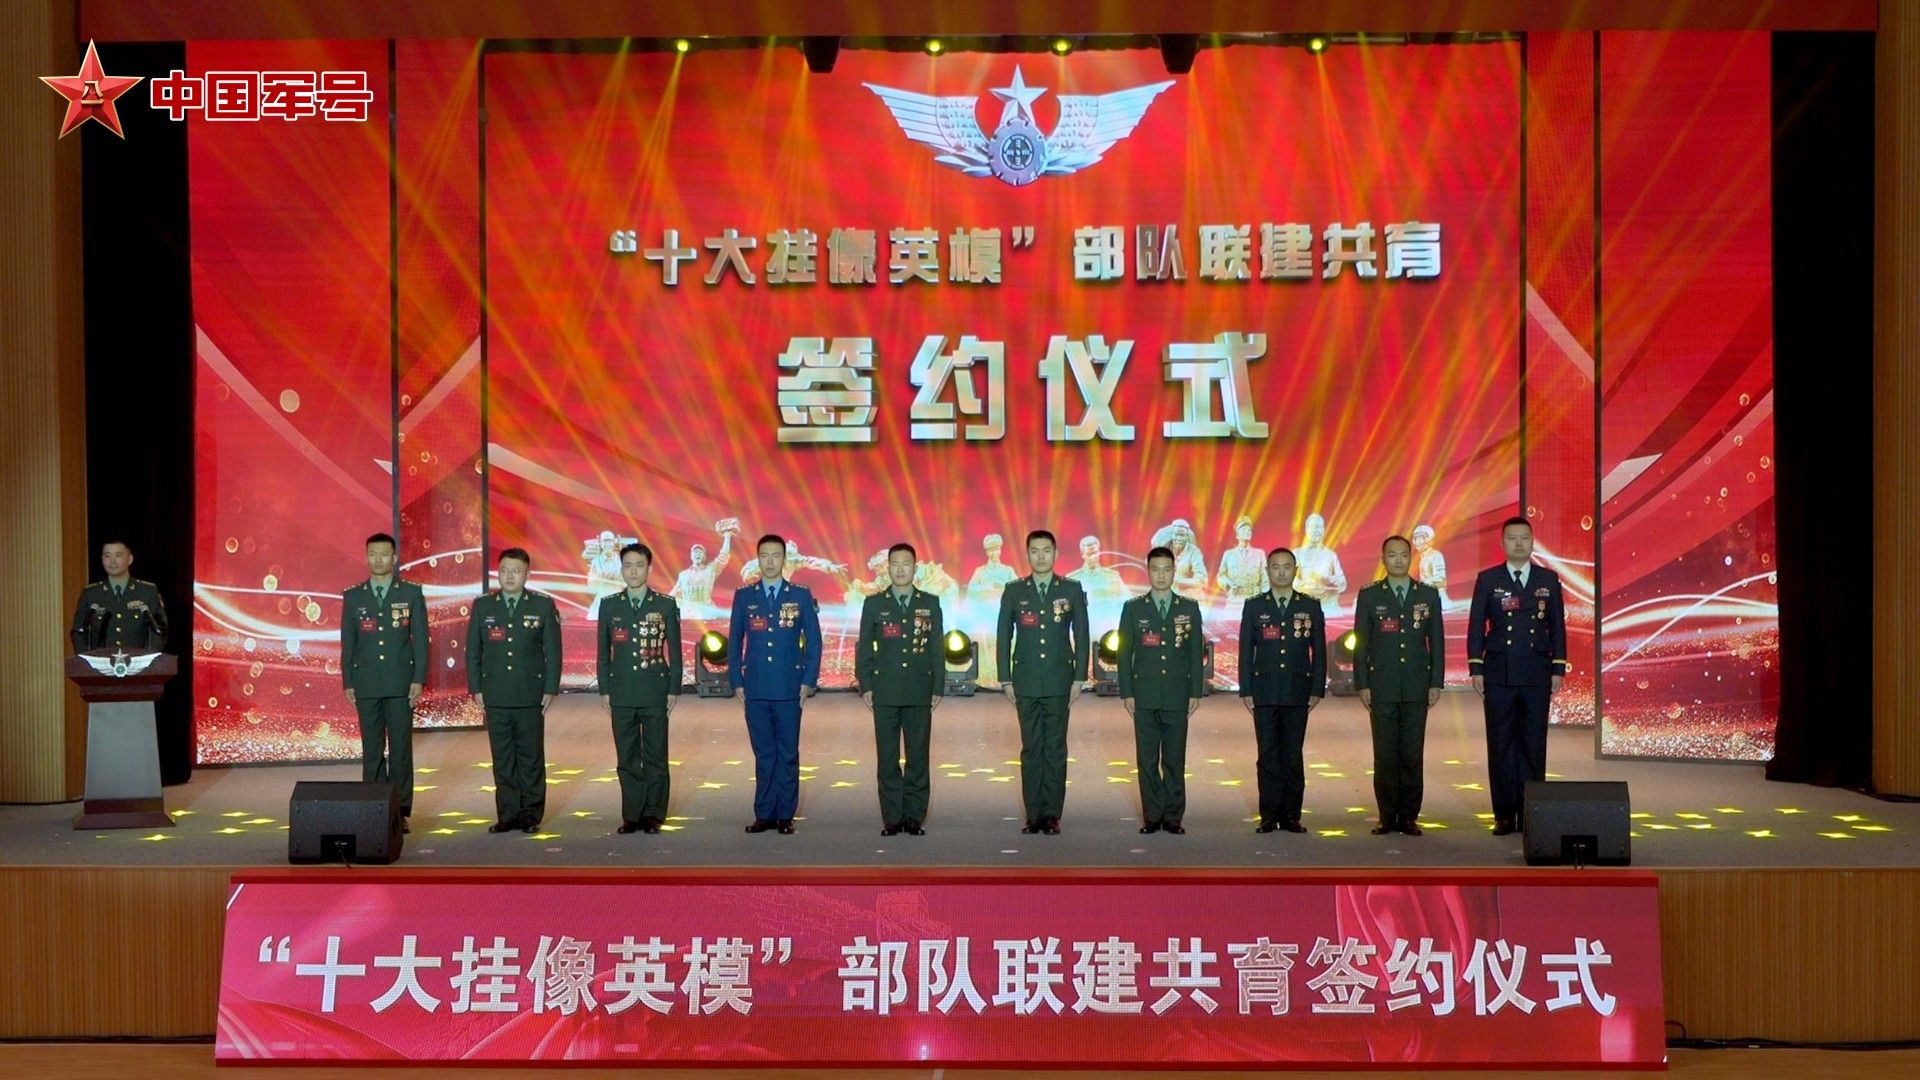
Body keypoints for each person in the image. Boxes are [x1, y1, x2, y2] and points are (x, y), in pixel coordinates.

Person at [1466, 516, 1569, 837]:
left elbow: (1557, 626)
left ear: (1532, 541)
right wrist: (1476, 667)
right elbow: (1476, 625)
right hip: (1499, 673)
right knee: (1501, 744)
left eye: (1524, 537)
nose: (1519, 543)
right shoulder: (1488, 579)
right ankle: (1504, 815)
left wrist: (1558, 666)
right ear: (1503, 543)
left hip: (1537, 672)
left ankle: (1531, 813)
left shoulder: (1547, 579)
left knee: (1534, 744)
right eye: (1512, 538)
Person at [996, 530, 1090, 834]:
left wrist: (1079, 677)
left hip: (1059, 680)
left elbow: (1082, 635)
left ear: (1056, 553)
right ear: (1027, 555)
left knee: (1055, 748)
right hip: (1025, 681)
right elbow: (1003, 636)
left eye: (1046, 550)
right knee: (1031, 748)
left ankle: (1051, 814)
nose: (1040, 556)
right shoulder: (1014, 590)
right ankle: (1033, 813)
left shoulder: (1071, 589)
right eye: (1034, 551)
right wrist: (1005, 678)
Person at [728, 533, 822, 835]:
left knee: (788, 753)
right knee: (764, 753)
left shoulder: (800, 595)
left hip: (788, 687)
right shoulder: (745, 596)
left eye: (776, 556)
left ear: (784, 559)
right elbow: (734, 641)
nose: (770, 562)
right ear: (758, 559)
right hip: (755, 687)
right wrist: (736, 680)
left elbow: (814, 642)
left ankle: (785, 815)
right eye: (764, 556)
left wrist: (808, 680)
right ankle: (764, 813)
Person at [1352, 535, 1444, 837]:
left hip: (1417, 686)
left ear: (1411, 557)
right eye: (1392, 555)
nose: (1398, 560)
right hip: (1382, 686)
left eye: (1404, 554)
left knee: (1412, 754)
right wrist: (1362, 683)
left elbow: (1437, 642)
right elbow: (1361, 643)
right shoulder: (1370, 596)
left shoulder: (1427, 594)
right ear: (1383, 560)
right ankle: (1386, 816)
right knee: (1385, 754)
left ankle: (1408, 817)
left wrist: (1435, 682)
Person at [465, 547, 562, 834]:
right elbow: (473, 652)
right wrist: (476, 688)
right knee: (503, 758)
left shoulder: (542, 605)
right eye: (505, 571)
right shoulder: (483, 606)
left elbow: (553, 652)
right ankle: (507, 814)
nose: (509, 576)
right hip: (495, 693)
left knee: (530, 757)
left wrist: (550, 688)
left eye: (516, 571)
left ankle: (530, 814)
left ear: (526, 574)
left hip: (530, 693)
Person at [340, 532, 428, 831]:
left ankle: (399, 812)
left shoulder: (411, 593)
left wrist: (418, 678)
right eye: (373, 554)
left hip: (401, 683)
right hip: (366, 683)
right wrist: (348, 681)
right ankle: (373, 809)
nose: (378, 560)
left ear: (394, 558)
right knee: (372, 749)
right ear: (366, 557)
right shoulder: (354, 596)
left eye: (384, 554)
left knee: (401, 749)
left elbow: (420, 641)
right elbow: (348, 643)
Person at [856, 543, 945, 837]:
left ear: (915, 568)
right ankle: (892, 818)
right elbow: (865, 648)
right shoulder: (874, 604)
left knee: (918, 756)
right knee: (888, 757)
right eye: (895, 564)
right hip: (885, 690)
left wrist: (938, 685)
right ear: (888, 568)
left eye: (906, 564)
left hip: (920, 689)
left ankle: (914, 817)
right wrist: (866, 685)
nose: (900, 569)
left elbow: (936, 647)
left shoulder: (930, 603)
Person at [1117, 546, 1205, 835]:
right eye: (1155, 570)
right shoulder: (1134, 608)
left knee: (1174, 759)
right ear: (1148, 571)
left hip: (1177, 695)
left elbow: (1195, 653)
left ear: (1174, 572)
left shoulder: (1188, 608)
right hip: (1144, 694)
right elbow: (1124, 653)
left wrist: (1195, 692)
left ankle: (1173, 816)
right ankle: (1152, 816)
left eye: (1167, 570)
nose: (1161, 575)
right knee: (1146, 759)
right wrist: (1127, 693)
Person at [1237, 548, 1326, 834]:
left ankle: (1291, 816)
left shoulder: (1310, 606)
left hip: (1297, 690)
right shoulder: (1254, 606)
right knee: (1267, 755)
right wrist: (1246, 688)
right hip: (1264, 691)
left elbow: (1319, 650)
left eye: (1287, 567)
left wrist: (1317, 687)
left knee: (1292, 754)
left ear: (1295, 571)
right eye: (1275, 567)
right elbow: (1245, 650)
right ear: (1267, 571)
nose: (1282, 572)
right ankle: (1268, 815)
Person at [597, 542, 682, 835]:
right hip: (621, 691)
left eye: (639, 566)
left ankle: (653, 815)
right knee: (627, 756)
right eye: (628, 566)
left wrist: (673, 689)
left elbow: (675, 652)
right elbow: (603, 653)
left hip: (654, 690)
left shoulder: (665, 605)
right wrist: (605, 690)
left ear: (649, 569)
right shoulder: (609, 605)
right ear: (621, 569)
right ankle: (632, 814)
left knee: (656, 755)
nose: (633, 571)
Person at [70, 540, 168, 654]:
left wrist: (146, 659)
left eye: (118, 555)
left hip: (138, 662)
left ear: (130, 559)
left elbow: (159, 630)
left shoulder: (147, 592)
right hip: (100, 662)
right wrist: (88, 660)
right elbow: (78, 632)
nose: (112, 561)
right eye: (107, 556)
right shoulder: (91, 594)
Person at [668, 519, 738, 608]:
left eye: (700, 552)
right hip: (689, 611)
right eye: (695, 552)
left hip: (707, 610)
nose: (697, 554)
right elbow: (673, 594)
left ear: (704, 557)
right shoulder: (683, 575)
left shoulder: (711, 569)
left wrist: (727, 536)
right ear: (691, 556)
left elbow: (723, 556)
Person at [1292, 513, 1349, 616]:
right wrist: (1306, 584)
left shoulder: (1331, 555)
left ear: (1323, 531)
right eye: (1312, 527)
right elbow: (1288, 581)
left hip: (1328, 607)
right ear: (1306, 530)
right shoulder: (1297, 554)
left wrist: (1337, 581)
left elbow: (1343, 583)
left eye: (1318, 527)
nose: (1315, 530)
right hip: (1304, 606)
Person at [1065, 534, 1128, 603]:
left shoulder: (1113, 577)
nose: (1093, 557)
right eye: (1089, 554)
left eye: (1095, 553)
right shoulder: (1072, 579)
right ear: (1082, 554)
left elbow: (1127, 601)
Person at [1215, 515, 1265, 602]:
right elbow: (1221, 576)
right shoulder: (1228, 555)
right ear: (1237, 535)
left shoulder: (1259, 554)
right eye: (1244, 529)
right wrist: (1229, 585)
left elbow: (1265, 578)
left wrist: (1264, 598)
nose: (1247, 532)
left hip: (1254, 600)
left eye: (1249, 530)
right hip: (1234, 600)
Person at [1411, 524, 1459, 610]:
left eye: (1421, 539)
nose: (1418, 542)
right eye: (1416, 539)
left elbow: (1441, 579)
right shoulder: (1423, 557)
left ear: (1429, 539)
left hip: (1438, 597)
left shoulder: (1436, 556)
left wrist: (1423, 584)